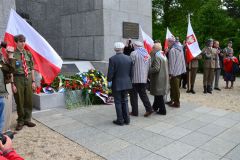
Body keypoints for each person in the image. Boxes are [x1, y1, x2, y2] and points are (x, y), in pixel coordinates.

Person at [11, 34, 36, 131]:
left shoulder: (28, 54)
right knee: (20, 100)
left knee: (29, 100)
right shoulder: (13, 54)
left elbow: (32, 68)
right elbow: (11, 70)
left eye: (24, 41)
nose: (23, 43)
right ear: (16, 42)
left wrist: (33, 81)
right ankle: (20, 121)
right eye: (21, 41)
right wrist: (13, 84)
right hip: (18, 78)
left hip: (28, 77)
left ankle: (27, 119)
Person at [107, 42, 133, 126]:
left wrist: (108, 81)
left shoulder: (112, 59)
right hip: (126, 83)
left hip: (117, 84)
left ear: (115, 49)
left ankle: (120, 120)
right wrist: (129, 81)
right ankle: (127, 119)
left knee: (118, 102)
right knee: (125, 101)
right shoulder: (129, 58)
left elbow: (110, 74)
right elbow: (131, 73)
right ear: (123, 49)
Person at [129, 41, 153, 117]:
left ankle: (134, 112)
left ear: (136, 46)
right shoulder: (147, 55)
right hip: (143, 79)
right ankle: (149, 109)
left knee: (133, 95)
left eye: (134, 45)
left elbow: (130, 65)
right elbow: (149, 67)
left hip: (134, 78)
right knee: (143, 94)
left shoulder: (134, 53)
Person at [149, 43, 169, 115]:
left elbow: (156, 68)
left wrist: (148, 70)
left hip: (159, 78)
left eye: (153, 48)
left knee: (159, 94)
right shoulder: (163, 55)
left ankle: (163, 110)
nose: (152, 49)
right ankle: (155, 107)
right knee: (158, 94)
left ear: (156, 49)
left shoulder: (157, 56)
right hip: (164, 76)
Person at [166, 38, 186, 107]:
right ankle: (172, 100)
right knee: (173, 87)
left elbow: (172, 63)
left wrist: (170, 74)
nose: (167, 44)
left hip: (174, 72)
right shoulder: (179, 48)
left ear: (171, 42)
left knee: (175, 88)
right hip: (179, 71)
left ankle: (177, 102)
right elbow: (183, 60)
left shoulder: (172, 50)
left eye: (168, 42)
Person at [0, 45, 16, 133]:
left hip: (3, 90)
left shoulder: (1, 61)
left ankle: (3, 132)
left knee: (3, 114)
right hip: (2, 91)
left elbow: (10, 70)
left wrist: (10, 56)